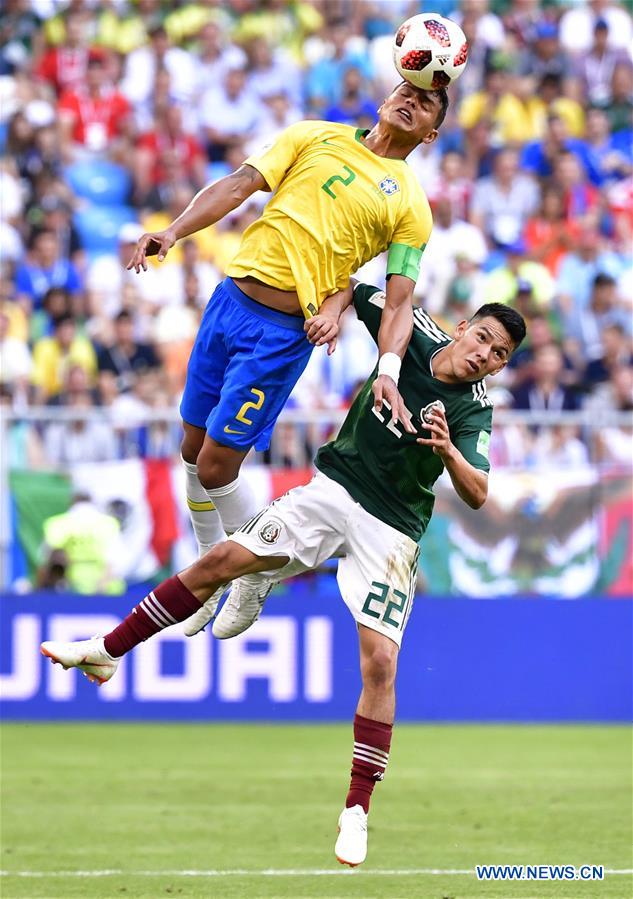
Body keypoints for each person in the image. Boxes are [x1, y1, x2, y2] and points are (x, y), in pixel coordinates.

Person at [40, 283, 527, 868]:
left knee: (381, 662)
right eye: (483, 338)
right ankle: (106, 650)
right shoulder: (412, 331)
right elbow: (353, 290)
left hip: (392, 528)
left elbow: (477, 492)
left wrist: (448, 450)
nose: (485, 355)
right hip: (333, 491)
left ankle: (357, 810)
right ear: (462, 328)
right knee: (221, 562)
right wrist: (329, 311)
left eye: (499, 355)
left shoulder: (474, 409)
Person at [126, 80, 449, 621]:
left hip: (280, 333)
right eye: (406, 89)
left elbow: (398, 304)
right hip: (228, 300)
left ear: (431, 132)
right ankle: (210, 564)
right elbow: (238, 184)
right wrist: (175, 231)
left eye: (427, 101)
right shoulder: (312, 135)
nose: (411, 99)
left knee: (214, 468)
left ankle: (254, 573)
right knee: (189, 446)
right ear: (386, 95)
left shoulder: (410, 203)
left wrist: (387, 367)